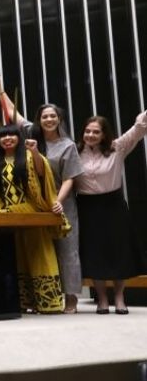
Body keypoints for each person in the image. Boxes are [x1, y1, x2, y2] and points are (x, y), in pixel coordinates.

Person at [0, 76, 83, 314]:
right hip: (35, 204)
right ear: (39, 120)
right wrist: (0, 90)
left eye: (53, 116)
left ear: (59, 119)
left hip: (61, 204)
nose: (49, 120)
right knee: (40, 251)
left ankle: (71, 299)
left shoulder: (68, 145)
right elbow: (14, 115)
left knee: (67, 250)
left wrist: (57, 202)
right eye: (45, 117)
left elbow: (70, 178)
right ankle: (38, 299)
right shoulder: (31, 135)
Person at [0, 124, 69, 313]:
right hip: (8, 214)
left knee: (40, 254)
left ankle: (49, 303)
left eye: (12, 135)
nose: (7, 139)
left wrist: (35, 152)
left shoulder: (29, 155)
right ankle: (25, 302)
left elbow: (42, 174)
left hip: (31, 212)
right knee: (19, 258)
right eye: (3, 136)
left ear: (19, 138)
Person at [75, 111, 147, 314]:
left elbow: (139, 128)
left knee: (118, 251)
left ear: (104, 134)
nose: (90, 135)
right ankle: (102, 299)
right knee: (95, 252)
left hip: (113, 204)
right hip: (87, 206)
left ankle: (119, 297)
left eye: (96, 132)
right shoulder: (75, 151)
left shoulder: (117, 147)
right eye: (87, 131)